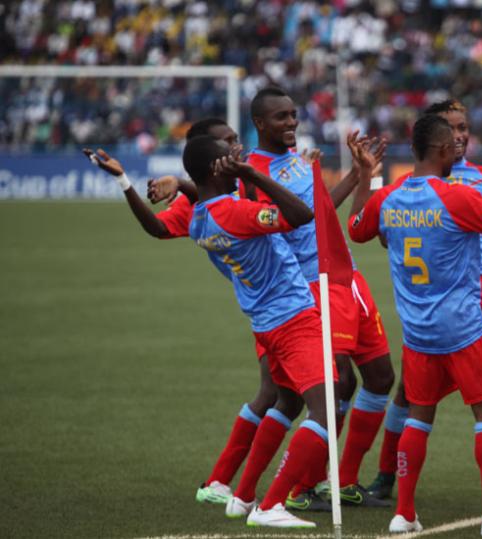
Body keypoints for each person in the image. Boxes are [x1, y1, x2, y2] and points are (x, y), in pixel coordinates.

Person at [348, 114, 482, 537]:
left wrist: (366, 178)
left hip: (418, 332)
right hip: (463, 328)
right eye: (453, 144)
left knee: (419, 416)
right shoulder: (456, 198)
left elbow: (356, 229)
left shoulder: (391, 198)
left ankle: (404, 511)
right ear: (440, 150)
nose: (459, 149)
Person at [83, 118, 288, 508]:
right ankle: (273, 489)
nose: (235, 146)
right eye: (226, 142)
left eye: (234, 138)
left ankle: (224, 482)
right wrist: (130, 183)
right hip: (278, 301)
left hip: (273, 298)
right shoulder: (212, 201)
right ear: (211, 157)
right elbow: (162, 228)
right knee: (304, 391)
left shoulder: (239, 178)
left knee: (280, 392)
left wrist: (181, 184)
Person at [240, 86, 394, 509]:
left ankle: (342, 480)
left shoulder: (296, 161)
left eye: (293, 115)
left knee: (381, 377)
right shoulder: (252, 172)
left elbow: (321, 208)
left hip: (347, 277)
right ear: (259, 124)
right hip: (310, 286)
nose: (291, 123)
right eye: (280, 117)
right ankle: (301, 487)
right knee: (337, 384)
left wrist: (361, 174)